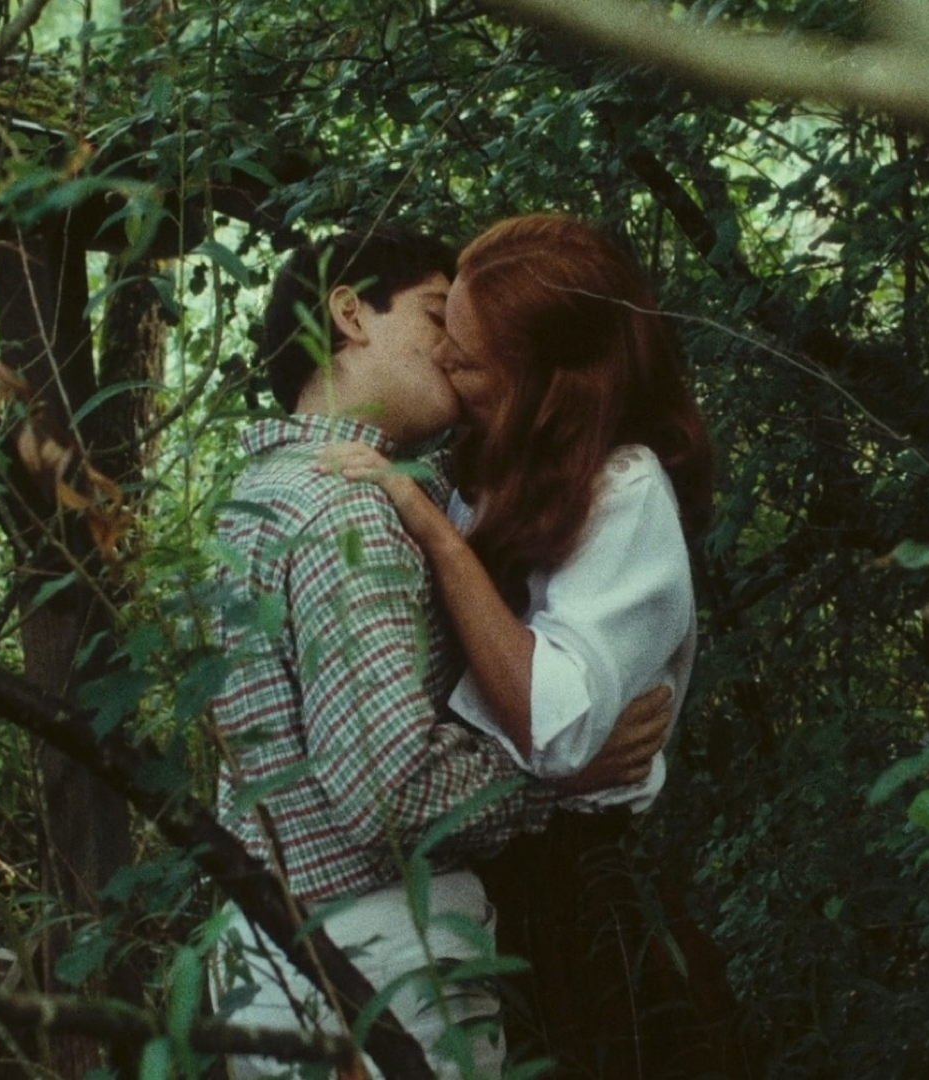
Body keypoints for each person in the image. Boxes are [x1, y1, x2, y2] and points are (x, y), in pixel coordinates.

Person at [206, 226, 672, 1079]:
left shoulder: (257, 495)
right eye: (435, 316)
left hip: (273, 958)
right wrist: (565, 776)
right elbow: (390, 797)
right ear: (351, 314)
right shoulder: (348, 507)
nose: (457, 350)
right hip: (375, 964)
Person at [325, 213, 738, 1077]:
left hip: (576, 895)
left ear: (552, 385)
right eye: (444, 331)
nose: (442, 360)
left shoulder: (626, 492)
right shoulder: (487, 468)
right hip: (486, 878)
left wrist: (439, 540)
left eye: (470, 360)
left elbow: (555, 726)